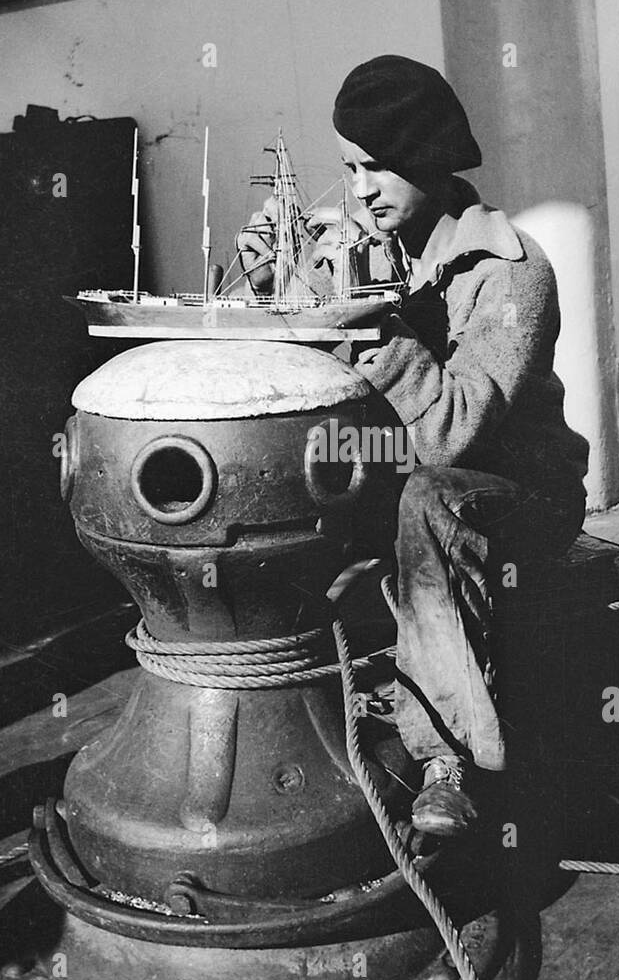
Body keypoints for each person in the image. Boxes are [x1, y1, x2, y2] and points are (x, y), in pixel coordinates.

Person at [238, 55, 589, 837]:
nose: (360, 190)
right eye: (348, 170)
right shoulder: (371, 245)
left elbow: (448, 432)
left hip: (521, 497)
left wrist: (371, 330)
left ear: (430, 157)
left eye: (376, 168)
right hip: (410, 496)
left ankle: (446, 759)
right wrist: (277, 276)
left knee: (428, 495)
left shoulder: (511, 270)